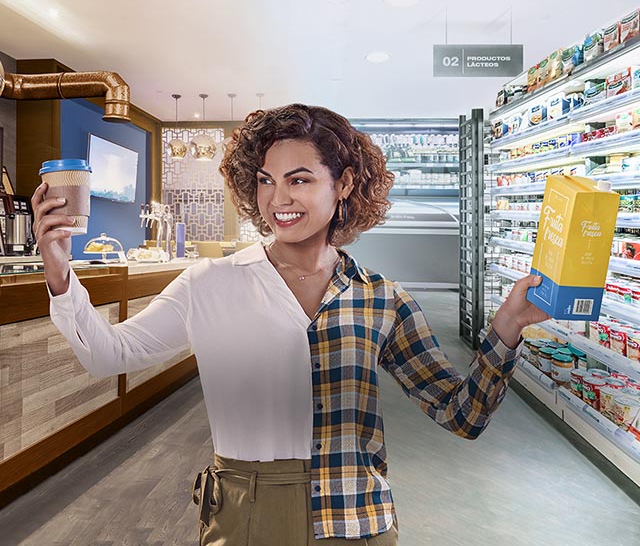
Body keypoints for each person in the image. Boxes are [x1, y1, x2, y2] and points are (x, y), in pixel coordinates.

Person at [32, 103, 549, 545]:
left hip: (358, 514)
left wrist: (506, 325)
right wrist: (58, 268)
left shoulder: (383, 300)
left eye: (299, 180)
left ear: (344, 183)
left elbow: (461, 414)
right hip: (244, 514)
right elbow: (108, 355)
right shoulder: (209, 283)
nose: (277, 199)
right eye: (265, 181)